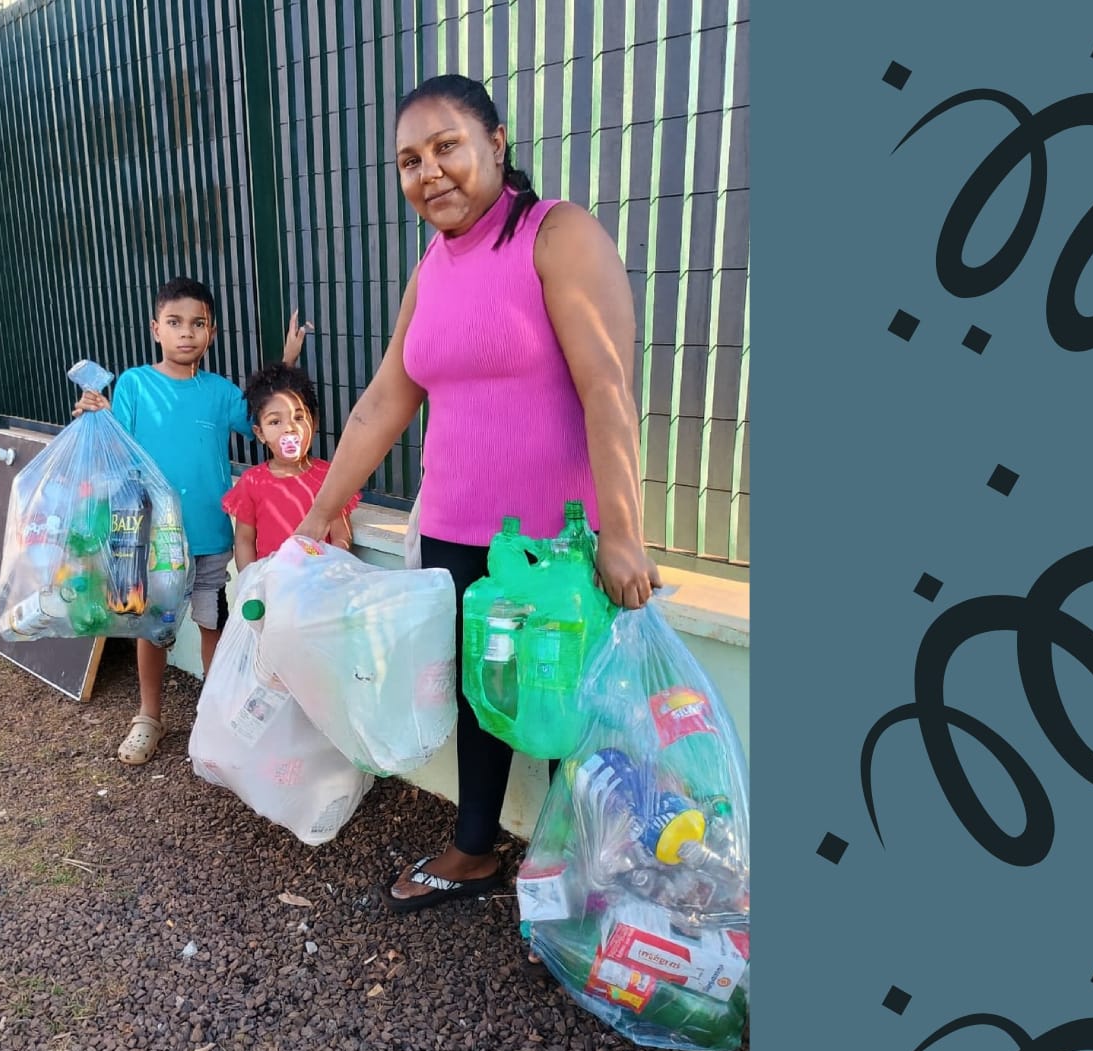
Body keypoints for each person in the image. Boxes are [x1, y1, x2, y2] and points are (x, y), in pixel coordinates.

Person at [293, 75, 663, 916]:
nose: (430, 173)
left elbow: (607, 386)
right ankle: (474, 849)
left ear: (497, 142)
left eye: (447, 146)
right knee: (482, 692)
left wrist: (624, 532)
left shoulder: (555, 234)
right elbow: (385, 398)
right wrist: (321, 512)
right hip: (459, 533)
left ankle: (598, 879)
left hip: (553, 546)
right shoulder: (431, 267)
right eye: (409, 161)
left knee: (568, 710)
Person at [74, 276, 308, 765]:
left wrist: (285, 366)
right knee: (152, 630)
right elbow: (115, 445)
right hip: (153, 541)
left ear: (212, 332)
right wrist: (95, 413)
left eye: (197, 324)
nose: (187, 334)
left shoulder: (220, 392)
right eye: (175, 323)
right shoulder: (135, 384)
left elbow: (263, 418)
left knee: (212, 627)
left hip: (212, 538)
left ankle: (213, 715)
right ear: (155, 328)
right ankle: (149, 718)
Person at [222, 364, 359, 571]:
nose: (289, 428)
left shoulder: (330, 477)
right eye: (275, 422)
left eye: (298, 418)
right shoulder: (251, 482)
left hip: (320, 584)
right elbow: (244, 540)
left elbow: (343, 535)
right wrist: (249, 585)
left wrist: (327, 566)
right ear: (260, 433)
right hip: (273, 585)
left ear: (314, 423)